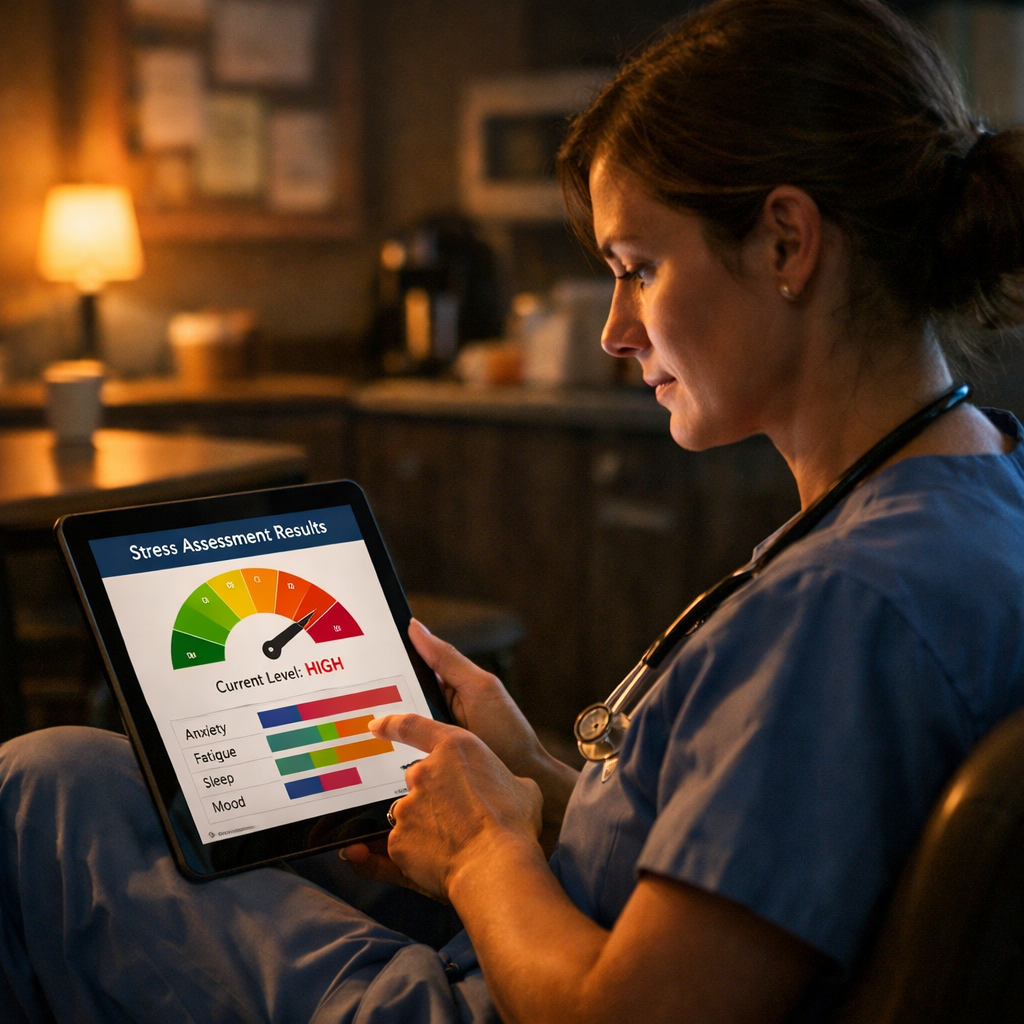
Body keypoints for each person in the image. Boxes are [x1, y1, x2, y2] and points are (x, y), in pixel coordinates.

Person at [4, 0, 1024, 1020]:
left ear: (785, 244)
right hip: (549, 929)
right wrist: (528, 778)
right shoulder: (970, 498)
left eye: (638, 269)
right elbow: (757, 845)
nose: (614, 331)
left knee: (45, 792)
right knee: (98, 781)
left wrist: (484, 848)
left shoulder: (843, 608)